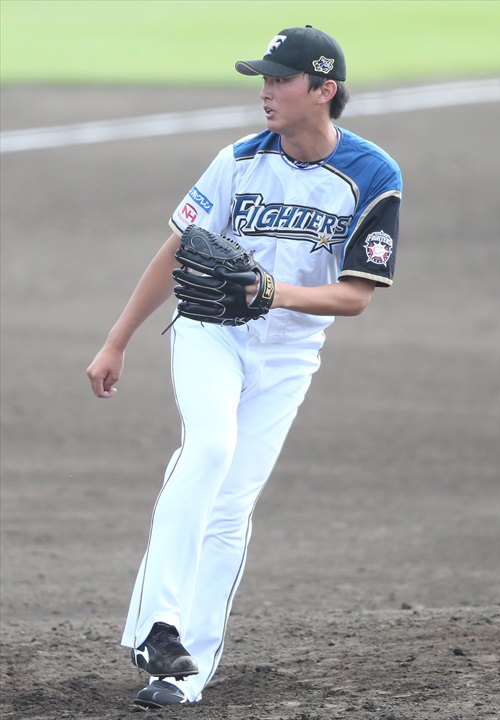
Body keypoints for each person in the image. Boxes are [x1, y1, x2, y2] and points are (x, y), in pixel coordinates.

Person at [87, 24, 402, 708]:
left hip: (289, 355)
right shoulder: (237, 161)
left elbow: (355, 296)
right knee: (209, 447)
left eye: (281, 79)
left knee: (231, 506)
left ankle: (183, 673)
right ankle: (158, 626)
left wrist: (273, 292)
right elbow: (179, 247)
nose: (266, 91)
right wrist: (117, 339)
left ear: (323, 90)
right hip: (212, 334)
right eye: (263, 78)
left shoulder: (373, 175)